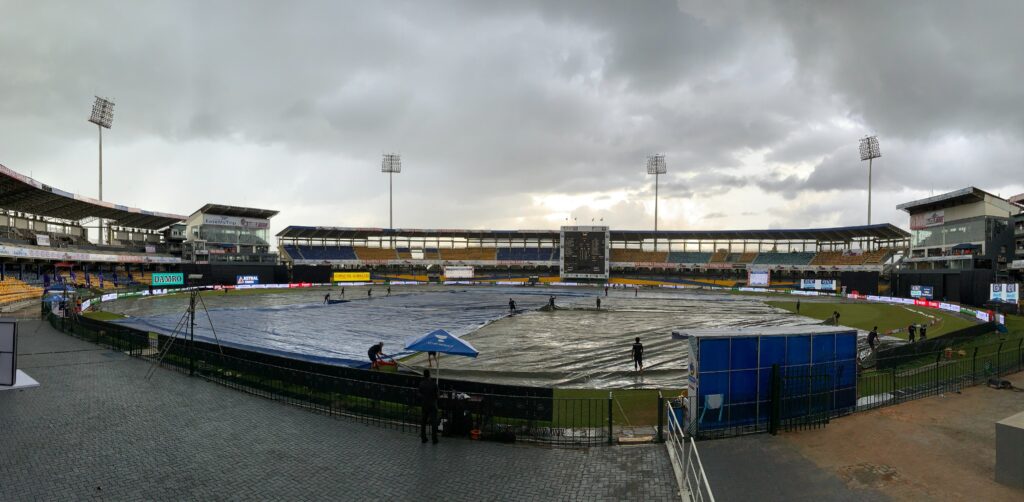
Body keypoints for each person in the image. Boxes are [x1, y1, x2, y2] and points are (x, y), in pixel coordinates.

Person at [419, 369, 439, 444]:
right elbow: (437, 395)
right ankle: (434, 439)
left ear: (424, 375)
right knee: (434, 422)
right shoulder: (434, 384)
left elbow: (419, 393)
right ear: (429, 375)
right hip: (432, 404)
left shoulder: (421, 384)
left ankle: (423, 437)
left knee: (423, 421)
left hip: (424, 404)